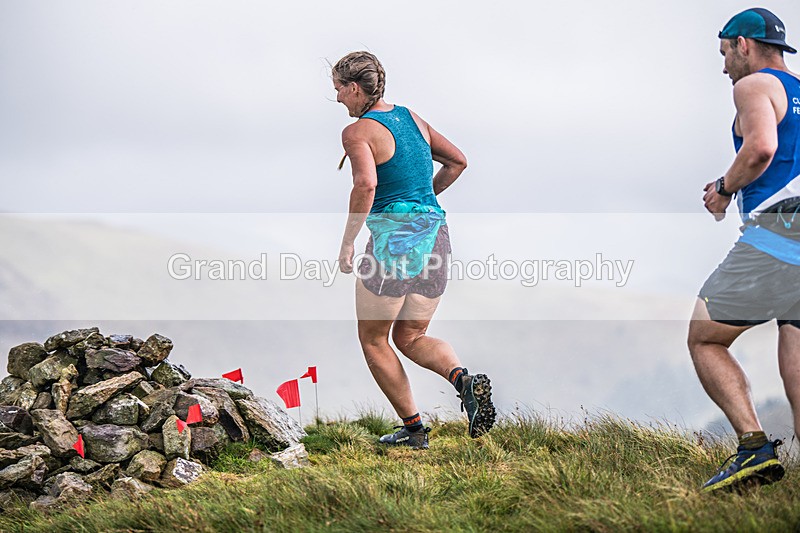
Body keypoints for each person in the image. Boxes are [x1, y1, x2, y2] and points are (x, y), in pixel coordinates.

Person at [331, 51, 496, 449]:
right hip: (436, 235)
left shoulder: (357, 133)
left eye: (338, 90)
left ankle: (415, 430)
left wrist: (349, 239)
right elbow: (457, 161)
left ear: (355, 88)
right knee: (413, 335)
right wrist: (424, 201)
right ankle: (463, 380)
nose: (337, 99)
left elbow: (366, 186)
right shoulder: (413, 119)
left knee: (374, 339)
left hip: (394, 242)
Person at [688, 8, 800, 492]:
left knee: (704, 336)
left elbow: (759, 148)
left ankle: (753, 449)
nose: (724, 66)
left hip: (779, 233)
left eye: (724, 53)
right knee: (796, 357)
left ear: (744, 45)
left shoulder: (753, 86)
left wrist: (723, 188)